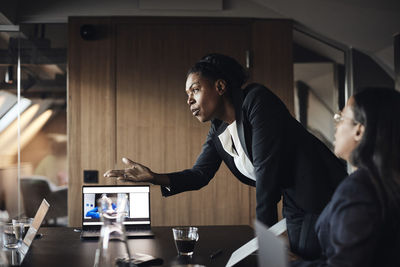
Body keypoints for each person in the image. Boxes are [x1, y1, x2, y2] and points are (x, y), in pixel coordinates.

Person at [104, 53, 347, 259]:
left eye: (195, 90)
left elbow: (266, 172)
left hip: (325, 192)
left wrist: (268, 242)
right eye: (187, 94)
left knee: (306, 257)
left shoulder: (256, 100)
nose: (189, 100)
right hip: (294, 201)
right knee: (292, 258)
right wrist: (154, 177)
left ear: (220, 87)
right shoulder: (218, 129)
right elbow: (200, 174)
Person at [292, 87, 400, 266]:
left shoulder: (359, 188)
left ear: (359, 130)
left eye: (341, 118)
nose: (336, 125)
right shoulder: (385, 180)